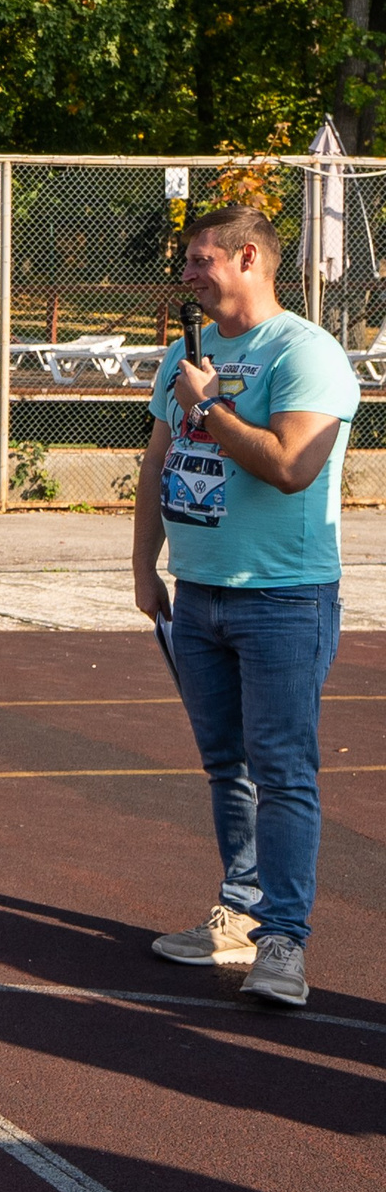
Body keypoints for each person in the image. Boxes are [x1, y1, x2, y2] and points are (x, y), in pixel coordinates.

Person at [135, 203, 358, 1007]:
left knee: (283, 772)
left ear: (250, 259)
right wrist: (143, 566)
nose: (188, 273)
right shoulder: (184, 354)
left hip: (284, 599)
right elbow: (158, 459)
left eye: (202, 260)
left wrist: (209, 407)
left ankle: (284, 940)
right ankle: (239, 912)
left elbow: (293, 466)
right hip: (198, 595)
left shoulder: (305, 353)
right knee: (225, 766)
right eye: (189, 261)